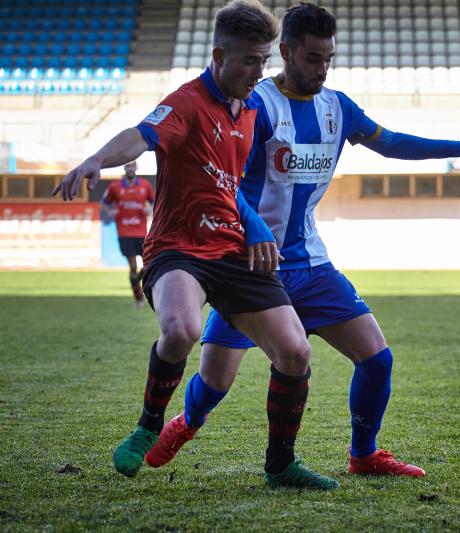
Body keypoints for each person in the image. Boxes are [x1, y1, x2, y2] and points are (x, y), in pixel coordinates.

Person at [143, 1, 460, 478]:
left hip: (312, 265)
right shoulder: (254, 106)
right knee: (214, 381)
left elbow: (394, 142)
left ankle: (363, 455)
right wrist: (252, 228)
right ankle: (187, 420)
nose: (323, 69)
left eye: (329, 59)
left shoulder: (337, 107)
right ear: (286, 53)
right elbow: (222, 181)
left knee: (377, 358)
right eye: (314, 58)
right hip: (250, 267)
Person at [53, 0, 338, 490]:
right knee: (182, 329)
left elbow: (235, 187)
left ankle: (280, 466)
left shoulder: (251, 110)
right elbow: (140, 136)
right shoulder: (186, 102)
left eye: (264, 61)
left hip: (231, 250)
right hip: (177, 248)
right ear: (218, 56)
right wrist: (96, 159)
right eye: (250, 61)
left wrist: (255, 227)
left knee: (294, 352)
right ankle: (148, 426)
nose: (259, 73)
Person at [100, 161, 154, 308]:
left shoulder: (145, 185)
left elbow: (154, 202)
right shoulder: (115, 187)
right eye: (128, 166)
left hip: (142, 232)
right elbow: (104, 203)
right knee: (132, 266)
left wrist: (150, 209)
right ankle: (138, 297)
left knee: (149, 264)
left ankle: (139, 287)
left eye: (132, 166)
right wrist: (109, 211)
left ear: (136, 167)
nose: (130, 168)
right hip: (124, 232)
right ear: (124, 168)